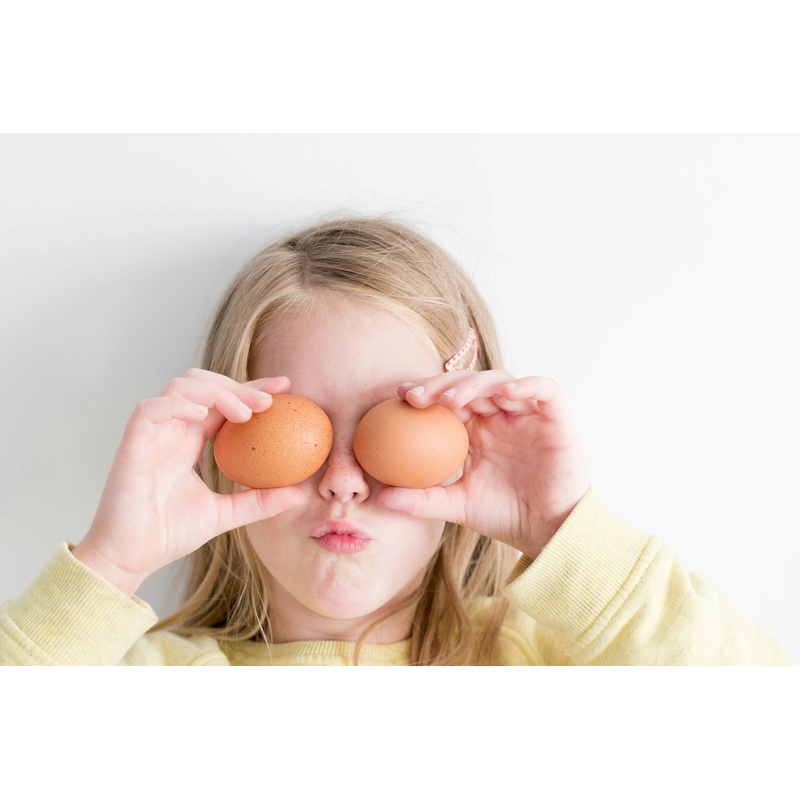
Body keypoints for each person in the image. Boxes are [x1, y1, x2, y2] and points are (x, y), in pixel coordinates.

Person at [0, 216, 791, 666]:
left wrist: (563, 531)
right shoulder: (144, 684)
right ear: (223, 445)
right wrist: (113, 563)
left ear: (466, 439)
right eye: (299, 430)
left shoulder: (550, 664)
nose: (345, 480)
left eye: (395, 425)